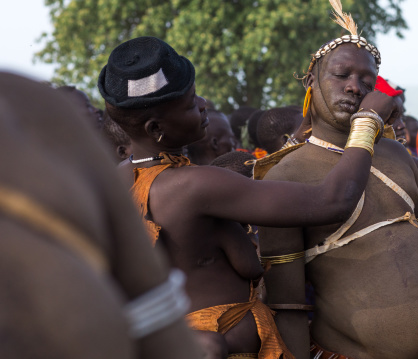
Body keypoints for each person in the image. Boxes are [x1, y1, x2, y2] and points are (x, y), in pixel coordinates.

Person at [98, 36, 399, 358]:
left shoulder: (116, 180)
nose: (202, 105)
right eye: (189, 104)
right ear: (155, 128)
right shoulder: (195, 185)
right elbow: (334, 201)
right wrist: (367, 123)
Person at [256, 2, 418, 358]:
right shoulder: (285, 176)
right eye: (341, 75)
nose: (355, 88)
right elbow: (288, 308)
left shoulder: (396, 156)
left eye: (367, 81)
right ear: (311, 81)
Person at [0, 72, 205, 359]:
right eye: (191, 104)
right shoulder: (31, 107)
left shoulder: (26, 103)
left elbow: (151, 296)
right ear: (154, 127)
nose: (94, 112)